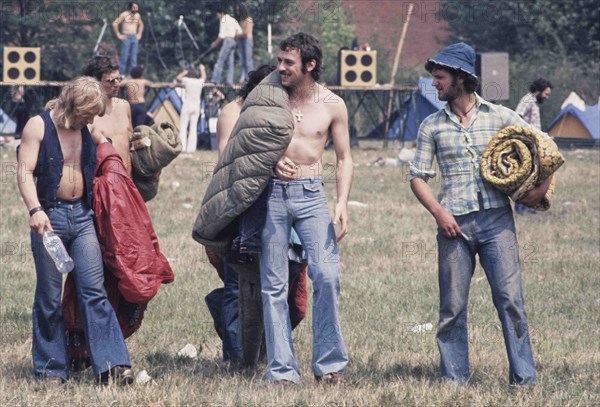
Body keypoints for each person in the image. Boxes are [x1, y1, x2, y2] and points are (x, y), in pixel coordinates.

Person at [409, 43, 554, 387]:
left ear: (461, 78)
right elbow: (417, 176)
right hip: (453, 227)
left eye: (440, 78)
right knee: (452, 308)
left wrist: (541, 189)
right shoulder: (432, 125)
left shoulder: (499, 116)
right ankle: (454, 380)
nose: (434, 84)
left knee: (510, 302)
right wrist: (439, 212)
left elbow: (545, 145)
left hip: (497, 223)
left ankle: (523, 380)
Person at [16, 76, 133, 385]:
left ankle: (113, 366)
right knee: (49, 296)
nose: (91, 120)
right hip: (49, 219)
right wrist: (35, 210)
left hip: (83, 218)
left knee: (94, 292)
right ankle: (51, 370)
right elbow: (24, 171)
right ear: (72, 104)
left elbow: (113, 154)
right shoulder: (37, 127)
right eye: (87, 113)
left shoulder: (88, 128)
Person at [260, 32, 353, 384]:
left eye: (288, 63)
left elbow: (344, 157)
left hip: (312, 194)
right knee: (274, 285)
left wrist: (342, 202)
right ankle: (282, 370)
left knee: (327, 276)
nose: (280, 68)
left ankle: (330, 365)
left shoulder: (332, 104)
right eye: (280, 61)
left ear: (309, 65)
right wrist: (270, 161)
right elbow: (244, 143)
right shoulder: (267, 98)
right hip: (271, 195)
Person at [83, 55, 134, 175]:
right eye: (111, 81)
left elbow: (131, 143)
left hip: (127, 182)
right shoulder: (88, 114)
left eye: (118, 79)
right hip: (102, 183)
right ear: (95, 83)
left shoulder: (124, 106)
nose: (117, 84)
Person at [514, 77, 553, 214]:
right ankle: (521, 208)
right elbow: (517, 116)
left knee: (533, 177)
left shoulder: (533, 103)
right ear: (540, 90)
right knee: (525, 178)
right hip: (526, 144)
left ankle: (528, 207)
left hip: (533, 144)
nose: (547, 97)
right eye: (546, 94)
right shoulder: (528, 100)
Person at [176, 64, 207, 153]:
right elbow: (204, 78)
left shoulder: (187, 80)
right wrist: (202, 69)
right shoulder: (199, 82)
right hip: (196, 106)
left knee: (183, 126)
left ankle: (183, 147)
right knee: (193, 128)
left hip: (187, 105)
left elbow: (178, 78)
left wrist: (184, 72)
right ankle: (191, 148)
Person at [209, 6, 241, 85]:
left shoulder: (223, 19)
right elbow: (239, 31)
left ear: (222, 13)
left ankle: (215, 80)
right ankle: (229, 81)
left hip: (227, 41)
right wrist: (234, 39)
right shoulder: (232, 19)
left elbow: (222, 35)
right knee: (230, 62)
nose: (218, 17)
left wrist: (215, 43)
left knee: (220, 60)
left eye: (218, 15)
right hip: (233, 41)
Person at [113, 2, 144, 76]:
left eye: (136, 7)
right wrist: (118, 34)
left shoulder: (137, 15)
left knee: (134, 57)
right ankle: (122, 74)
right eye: (134, 7)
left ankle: (132, 75)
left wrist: (139, 34)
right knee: (124, 56)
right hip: (126, 36)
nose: (135, 9)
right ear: (130, 7)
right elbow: (115, 23)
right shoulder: (124, 14)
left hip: (134, 37)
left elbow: (141, 25)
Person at [235, 2, 254, 84]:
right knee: (242, 61)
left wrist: (238, 35)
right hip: (241, 41)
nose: (237, 11)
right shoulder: (241, 21)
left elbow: (246, 33)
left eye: (238, 10)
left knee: (248, 60)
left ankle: (250, 78)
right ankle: (243, 78)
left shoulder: (248, 19)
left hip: (247, 41)